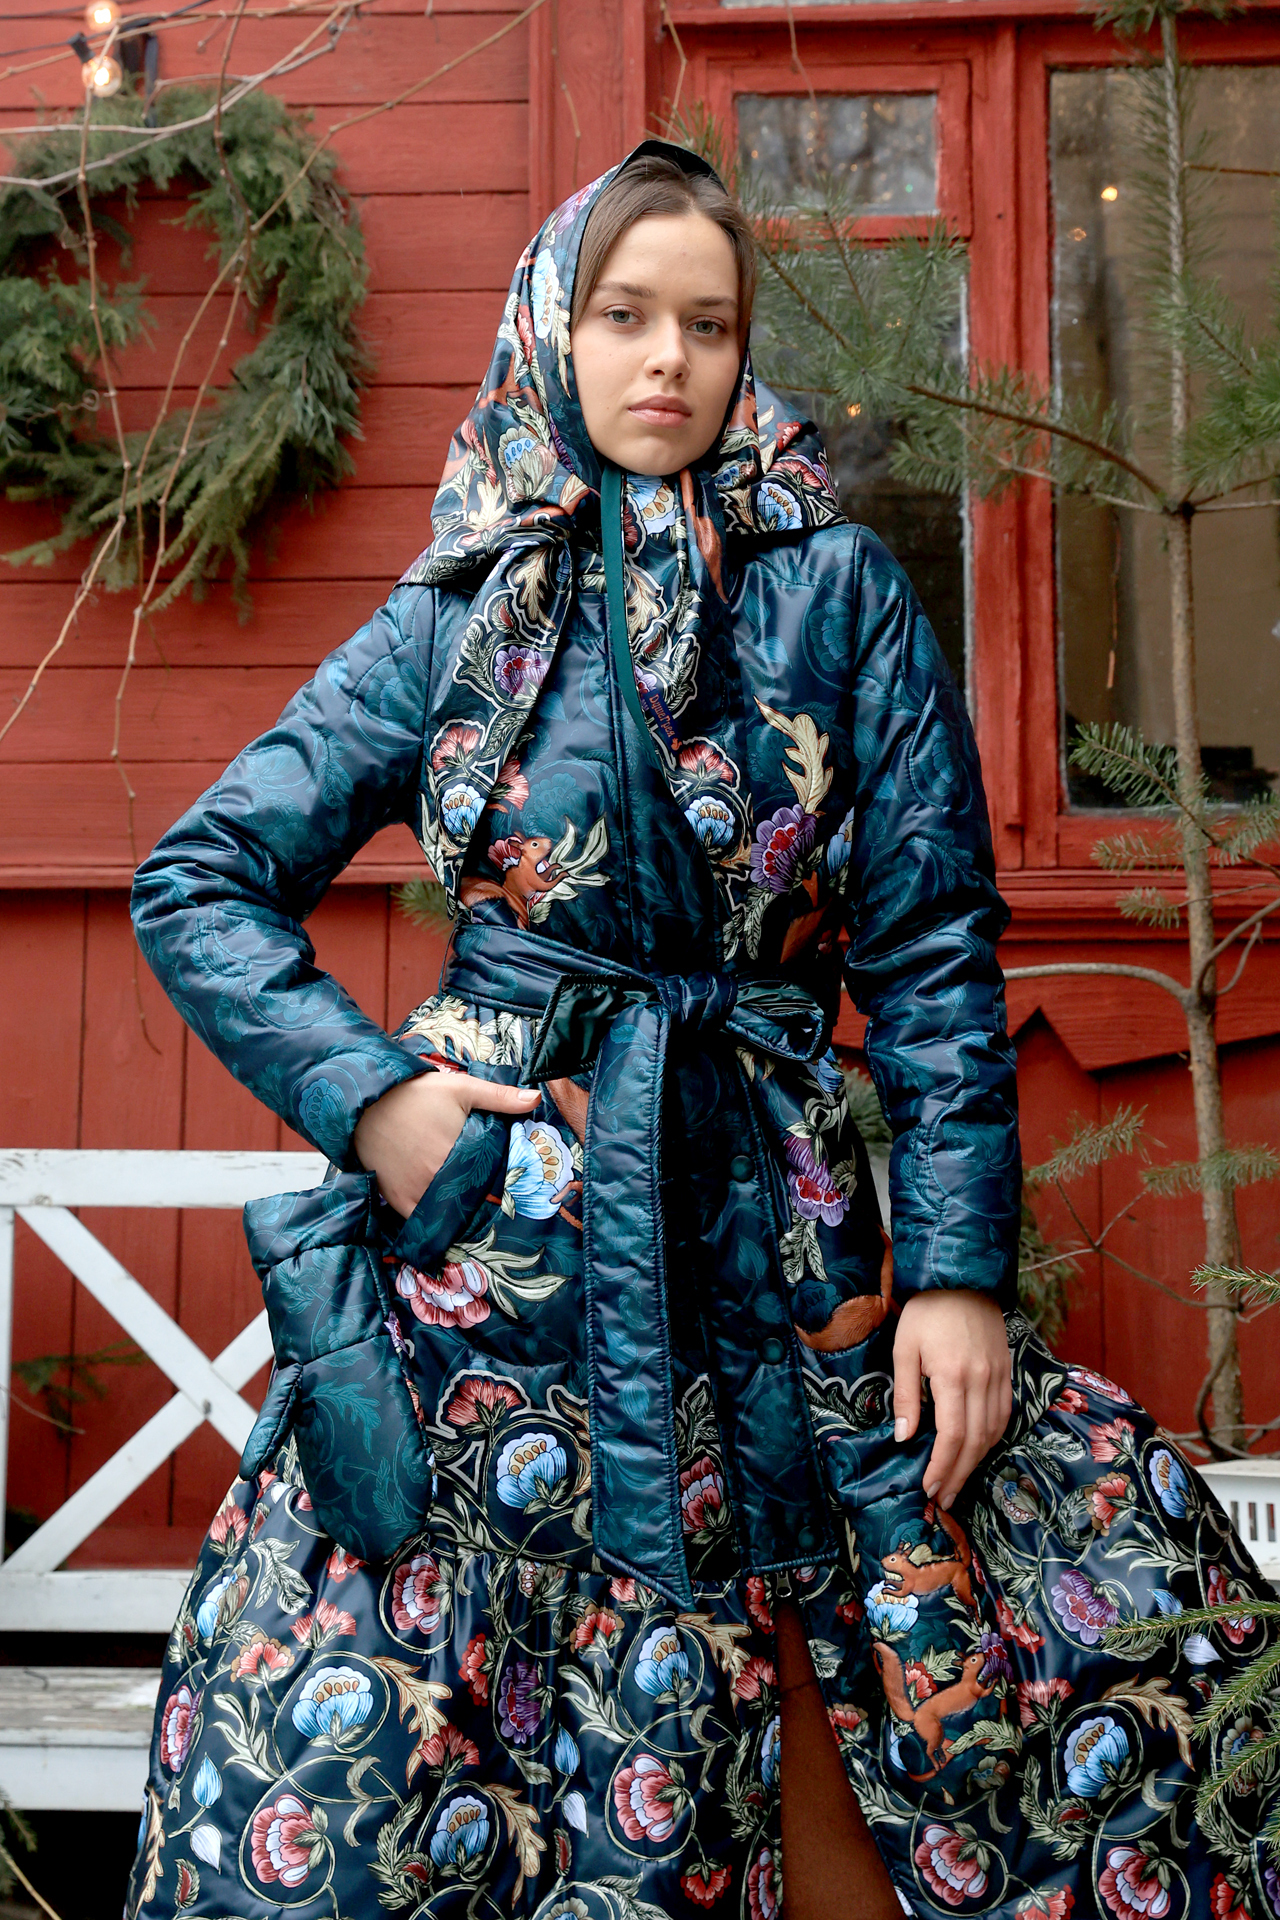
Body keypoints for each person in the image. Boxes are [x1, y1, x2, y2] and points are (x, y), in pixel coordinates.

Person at [127, 142, 1275, 1920]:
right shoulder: (453, 611)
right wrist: (378, 1105)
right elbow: (197, 881)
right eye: (625, 315)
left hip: (784, 1230)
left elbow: (932, 952)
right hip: (503, 1258)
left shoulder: (838, 592)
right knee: (401, 1734)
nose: (669, 358)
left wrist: (959, 1275)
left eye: (711, 324)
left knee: (950, 1658)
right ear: (551, 330)